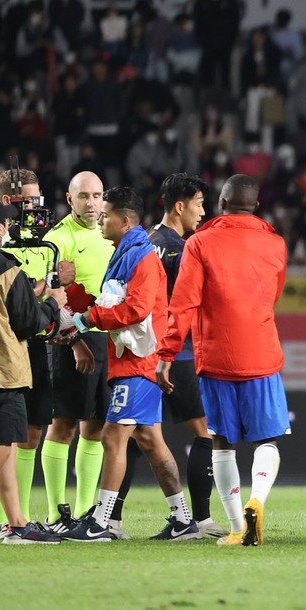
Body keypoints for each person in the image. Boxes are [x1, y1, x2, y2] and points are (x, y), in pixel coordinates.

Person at [59, 187, 202, 543]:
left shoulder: (142, 257)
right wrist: (73, 290)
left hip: (138, 361)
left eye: (105, 215)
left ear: (124, 221)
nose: (100, 219)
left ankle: (102, 521)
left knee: (111, 436)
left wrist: (85, 319)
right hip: (133, 359)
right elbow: (112, 300)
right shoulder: (126, 252)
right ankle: (183, 520)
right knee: (151, 441)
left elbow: (136, 310)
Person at [158, 174, 289, 547]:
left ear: (221, 203)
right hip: (261, 353)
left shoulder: (199, 243)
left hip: (216, 355)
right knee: (267, 440)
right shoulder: (276, 244)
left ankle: (236, 528)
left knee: (222, 442)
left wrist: (167, 353)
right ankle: (257, 500)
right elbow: (272, 295)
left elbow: (183, 303)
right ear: (256, 205)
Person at [110, 173, 221, 537]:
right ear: (179, 205)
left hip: (140, 355)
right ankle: (200, 520)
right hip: (180, 354)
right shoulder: (185, 248)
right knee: (204, 432)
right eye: (199, 204)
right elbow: (189, 305)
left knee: (138, 433)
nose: (203, 212)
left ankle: (113, 518)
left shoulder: (143, 243)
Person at [0, 194, 66, 545]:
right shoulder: (9, 272)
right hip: (4, 372)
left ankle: (17, 523)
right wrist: (52, 305)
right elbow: (29, 324)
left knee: (1, 448)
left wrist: (32, 292)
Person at [0, 169, 55, 536]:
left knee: (28, 433)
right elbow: (19, 302)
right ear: (9, 203)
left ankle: (18, 518)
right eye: (30, 200)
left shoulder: (42, 239)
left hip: (29, 350)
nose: (37, 207)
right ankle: (5, 522)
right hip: (1, 355)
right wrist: (49, 295)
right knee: (0, 442)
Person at [43, 170, 114, 532]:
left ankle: (87, 514)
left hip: (108, 341)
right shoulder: (57, 239)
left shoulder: (111, 234)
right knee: (63, 426)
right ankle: (56, 514)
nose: (91, 202)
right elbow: (48, 299)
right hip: (70, 342)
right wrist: (75, 341)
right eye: (84, 196)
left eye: (97, 195)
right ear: (69, 200)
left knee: (96, 429)